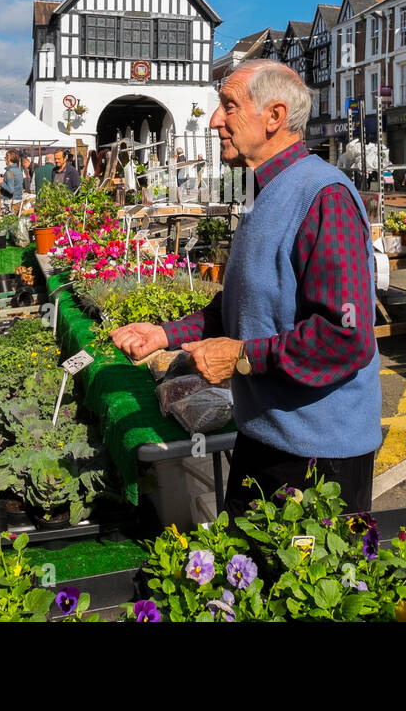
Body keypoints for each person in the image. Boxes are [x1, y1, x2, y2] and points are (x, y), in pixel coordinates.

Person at [111, 60, 381, 514]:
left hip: (317, 456)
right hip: (264, 436)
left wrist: (240, 357)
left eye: (229, 106)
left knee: (303, 584)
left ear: (274, 117)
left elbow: (346, 335)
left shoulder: (324, 196)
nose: (216, 119)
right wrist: (164, 335)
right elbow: (242, 303)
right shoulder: (265, 191)